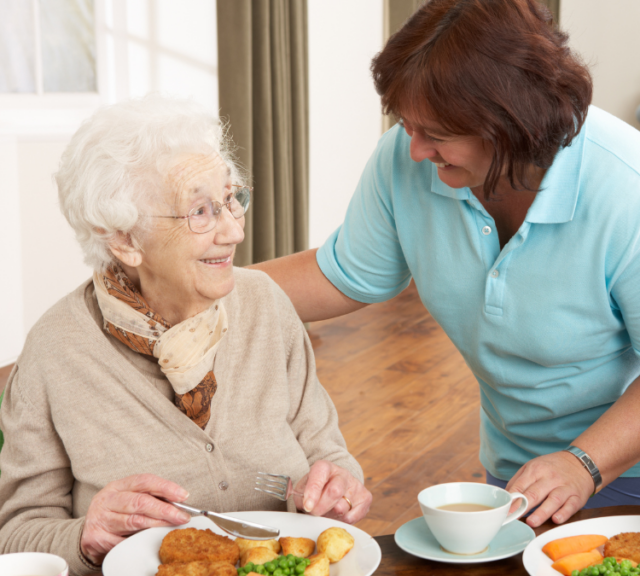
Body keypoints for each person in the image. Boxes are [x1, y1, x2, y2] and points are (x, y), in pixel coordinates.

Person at [255, 0, 640, 529]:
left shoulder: (635, 192)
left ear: (510, 123)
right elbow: (342, 274)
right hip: (522, 459)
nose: (414, 149)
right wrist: (199, 284)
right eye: (405, 124)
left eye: (436, 133)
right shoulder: (406, 158)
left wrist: (583, 464)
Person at [0, 96, 370, 575]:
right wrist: (85, 537)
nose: (233, 230)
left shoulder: (265, 305)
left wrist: (338, 486)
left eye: (232, 199)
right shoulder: (55, 350)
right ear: (123, 239)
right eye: (200, 211)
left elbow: (328, 452)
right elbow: (15, 534)